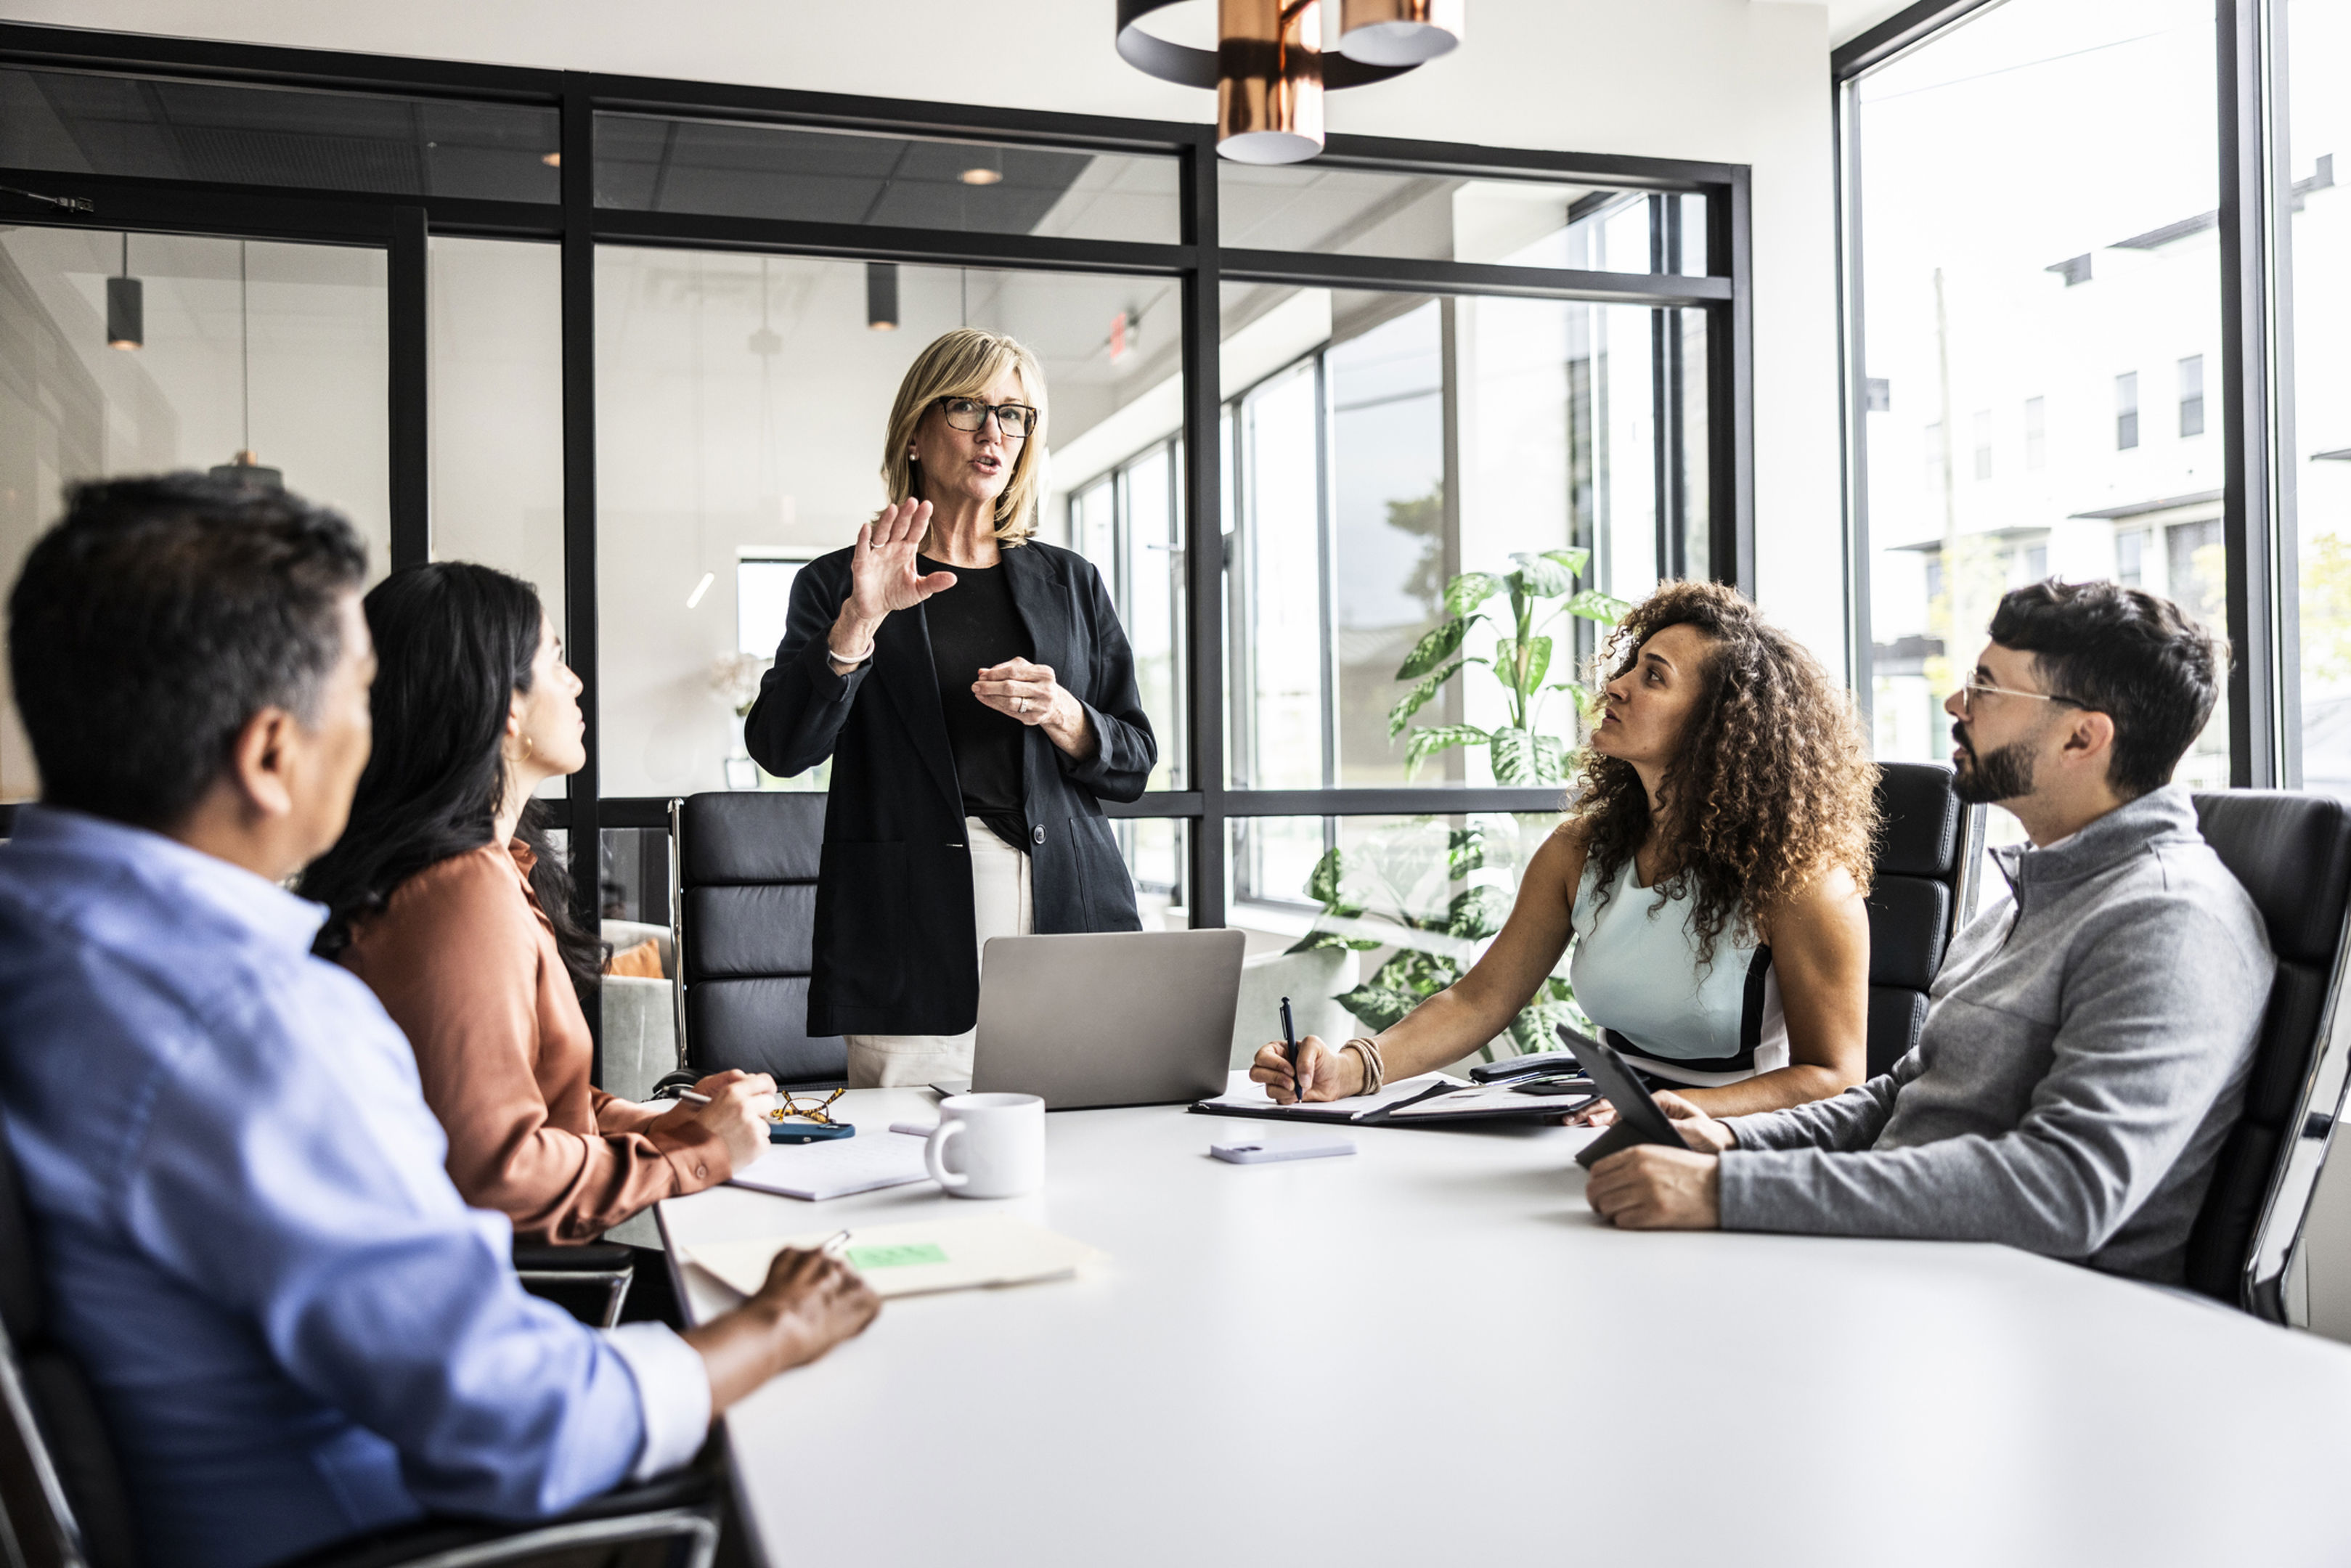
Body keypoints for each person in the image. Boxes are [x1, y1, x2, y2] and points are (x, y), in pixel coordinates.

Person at [0, 475, 879, 1568]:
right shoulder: (254, 1028)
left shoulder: (50, 946)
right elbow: (518, 1422)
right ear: (274, 755)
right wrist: (773, 1328)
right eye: (361, 698)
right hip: (403, 1528)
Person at [1584, 579, 2273, 1287]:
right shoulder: (2032, 896)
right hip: (1912, 1268)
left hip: (2028, 1311)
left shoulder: (2168, 920)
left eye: (1986, 687)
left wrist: (1725, 1194)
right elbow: (1907, 1094)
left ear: (2081, 736)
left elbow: (2064, 1190)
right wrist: (1731, 1141)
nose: (1956, 705)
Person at [300, 563, 772, 1281]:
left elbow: (519, 1100)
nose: (577, 682)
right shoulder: (458, 895)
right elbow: (500, 1172)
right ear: (506, 708)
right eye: (555, 659)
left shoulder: (485, 871)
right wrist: (696, 1154)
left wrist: (667, 1123)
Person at [1253, 580, 1878, 1119]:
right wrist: (1351, 1068)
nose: (1618, 685)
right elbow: (1480, 999)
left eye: (1653, 677)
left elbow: (1835, 1077)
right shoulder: (1582, 851)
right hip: (1602, 1125)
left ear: (1718, 724)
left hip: (1735, 1147)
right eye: (1631, 666)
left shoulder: (1804, 884)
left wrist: (1673, 1110)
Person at [744, 327, 1156, 1087]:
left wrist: (1066, 716)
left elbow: (1133, 761)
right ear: (916, 430)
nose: (994, 433)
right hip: (914, 921)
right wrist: (857, 625)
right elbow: (780, 747)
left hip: (1070, 903)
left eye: (1015, 414)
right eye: (969, 408)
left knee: (1089, 1150)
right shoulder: (841, 580)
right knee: (910, 1167)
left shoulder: (1071, 582)